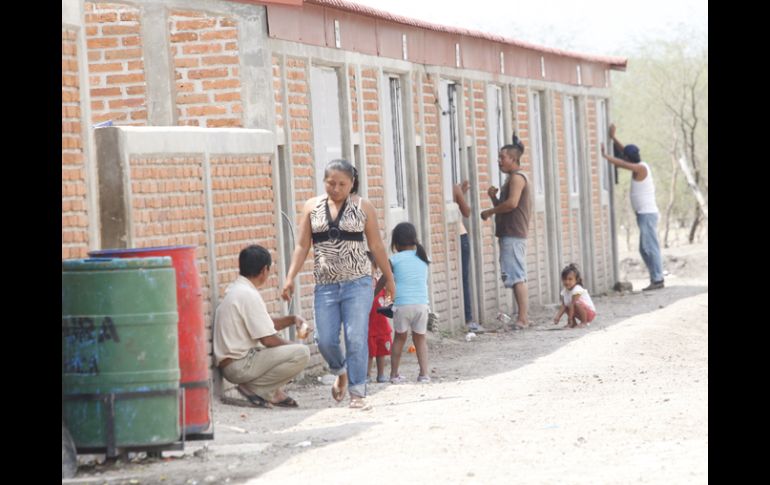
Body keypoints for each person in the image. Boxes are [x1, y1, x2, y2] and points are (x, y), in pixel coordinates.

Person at [281, 159, 395, 409]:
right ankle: (340, 371)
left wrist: (389, 279)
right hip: (326, 286)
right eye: (330, 183)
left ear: (351, 183)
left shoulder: (363, 206)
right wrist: (290, 277)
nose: (335, 188)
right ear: (324, 181)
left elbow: (376, 245)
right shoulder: (312, 207)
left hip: (358, 284)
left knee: (356, 337)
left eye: (341, 184)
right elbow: (302, 246)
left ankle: (357, 392)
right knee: (325, 339)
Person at [214, 244, 311, 408]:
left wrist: (292, 319)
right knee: (301, 353)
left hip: (234, 364)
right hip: (239, 365)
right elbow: (268, 340)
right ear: (265, 270)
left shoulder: (238, 289)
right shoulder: (248, 295)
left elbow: (264, 323)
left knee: (289, 350)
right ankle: (260, 390)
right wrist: (292, 347)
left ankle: (269, 391)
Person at [601, 124, 664, 290]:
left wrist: (605, 156)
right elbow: (625, 154)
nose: (626, 158)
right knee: (644, 249)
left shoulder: (641, 167)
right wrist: (613, 138)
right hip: (643, 214)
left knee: (650, 247)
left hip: (647, 214)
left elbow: (623, 163)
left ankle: (658, 279)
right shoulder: (639, 163)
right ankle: (655, 278)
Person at [480, 137, 532, 329]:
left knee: (517, 276)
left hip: (514, 233)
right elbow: (505, 205)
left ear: (513, 159)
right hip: (510, 232)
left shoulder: (517, 178)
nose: (499, 161)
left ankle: (523, 319)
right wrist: (494, 199)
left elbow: (511, 204)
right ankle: (522, 317)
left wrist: (489, 212)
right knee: (516, 274)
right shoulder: (511, 179)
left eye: (502, 157)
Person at [377, 222, 431, 384]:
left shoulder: (394, 260)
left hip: (402, 305)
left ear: (396, 243)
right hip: (422, 305)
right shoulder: (424, 257)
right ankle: (424, 374)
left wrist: (373, 294)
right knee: (420, 339)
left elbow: (384, 279)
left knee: (399, 339)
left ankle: (394, 374)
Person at [453, 180, 486, 334]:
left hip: (455, 237)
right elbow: (466, 211)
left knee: (461, 279)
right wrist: (460, 193)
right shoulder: (454, 188)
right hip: (461, 235)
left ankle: (467, 318)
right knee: (464, 279)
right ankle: (468, 319)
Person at [367, 252, 392, 384]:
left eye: (368, 267)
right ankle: (367, 375)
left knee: (381, 352)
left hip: (381, 325)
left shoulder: (379, 283)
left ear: (375, 268)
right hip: (369, 327)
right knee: (369, 353)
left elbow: (388, 294)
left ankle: (381, 374)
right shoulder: (360, 287)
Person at [553, 263, 596, 328]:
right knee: (567, 305)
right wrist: (558, 316)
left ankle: (584, 322)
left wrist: (569, 319)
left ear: (576, 280)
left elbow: (573, 305)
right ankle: (574, 324)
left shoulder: (577, 290)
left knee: (575, 304)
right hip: (579, 312)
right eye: (565, 279)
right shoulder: (565, 291)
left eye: (570, 279)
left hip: (589, 313)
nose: (567, 282)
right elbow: (563, 305)